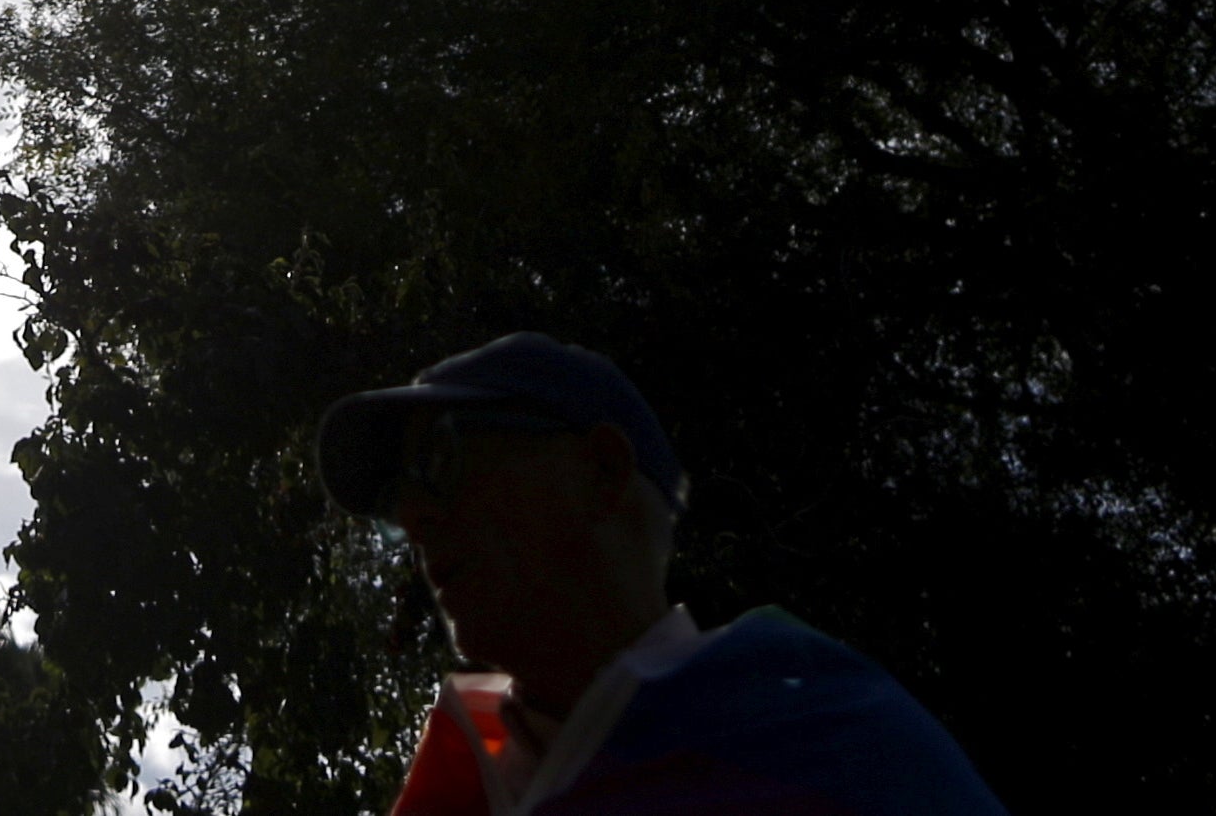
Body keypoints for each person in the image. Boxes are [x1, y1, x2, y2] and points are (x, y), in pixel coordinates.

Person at [317, 336, 1003, 816]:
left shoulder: (829, 739)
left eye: (440, 459)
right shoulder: (457, 784)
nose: (413, 519)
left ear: (601, 471)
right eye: (395, 504)